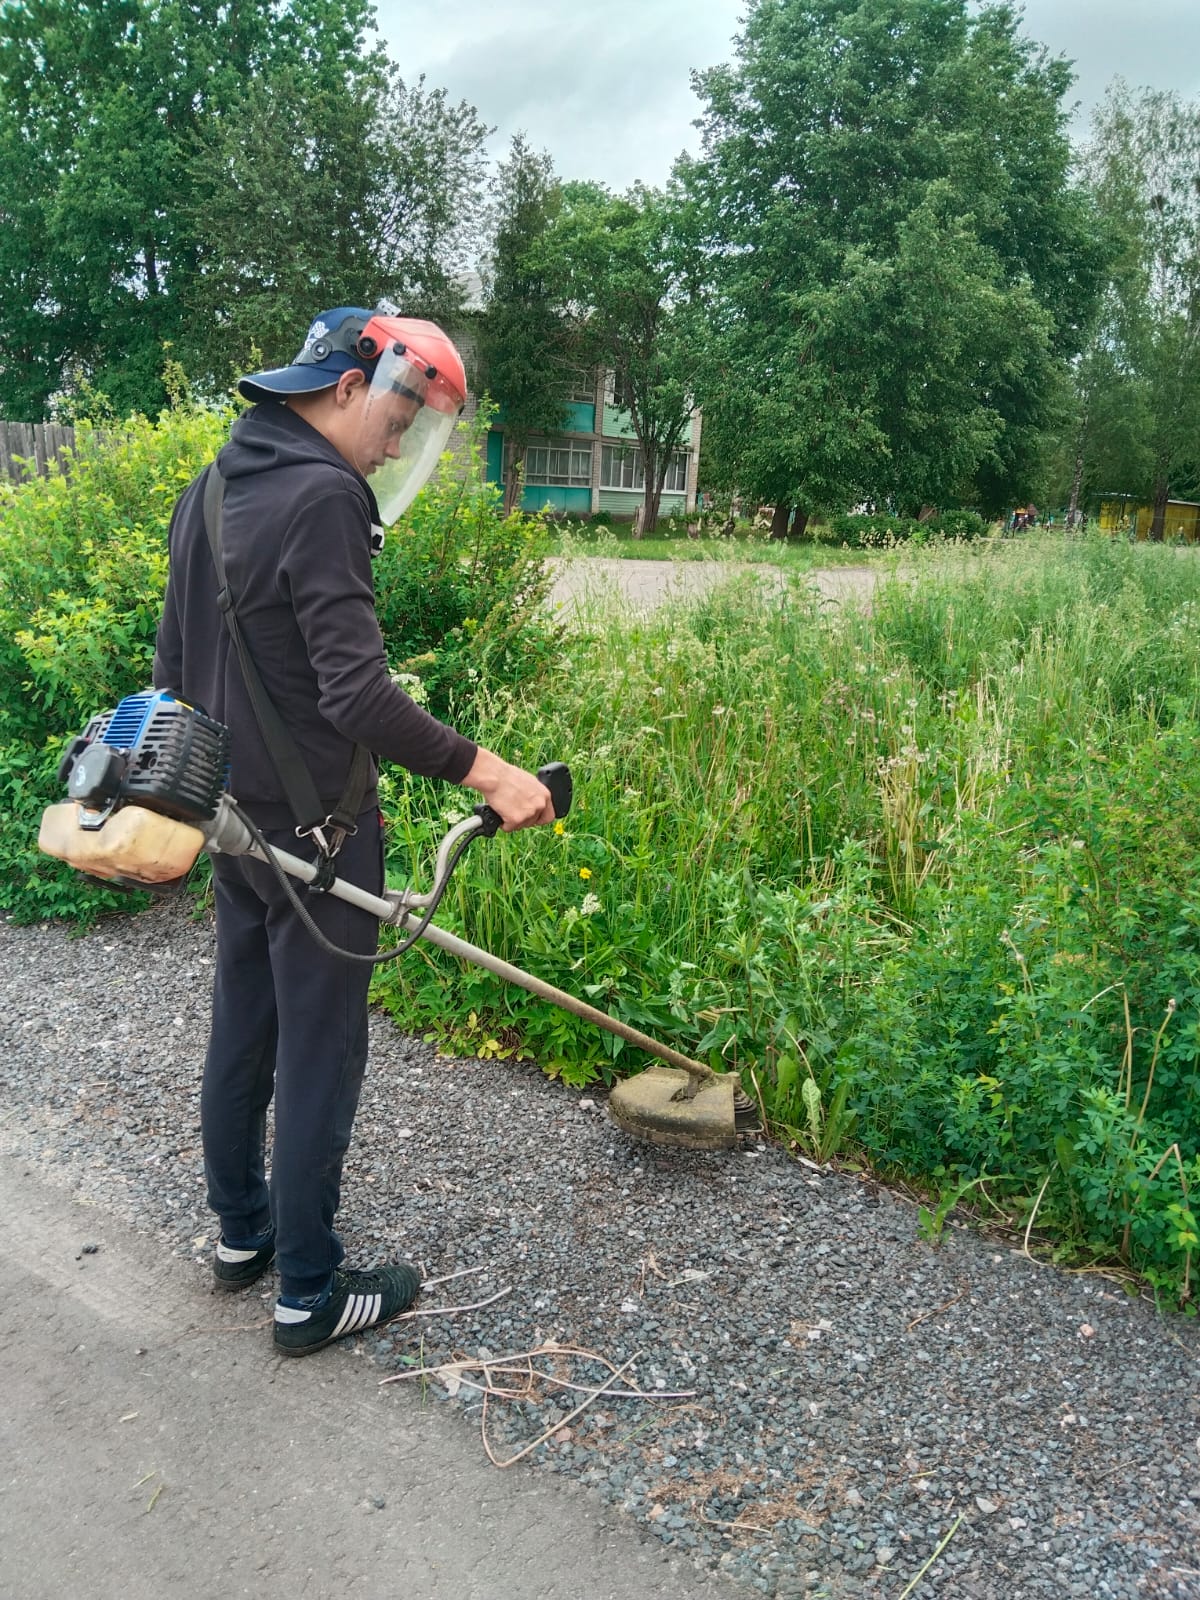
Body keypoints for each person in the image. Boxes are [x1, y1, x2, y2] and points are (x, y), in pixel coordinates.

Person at [153, 305, 555, 1356]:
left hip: (230, 820)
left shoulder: (211, 489)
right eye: (400, 417)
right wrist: (495, 771)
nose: (397, 443)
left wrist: (200, 802)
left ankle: (243, 1239)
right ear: (343, 387)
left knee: (245, 1024)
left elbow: (171, 669)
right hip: (321, 836)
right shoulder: (326, 498)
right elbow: (360, 697)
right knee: (321, 1049)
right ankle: (312, 1290)